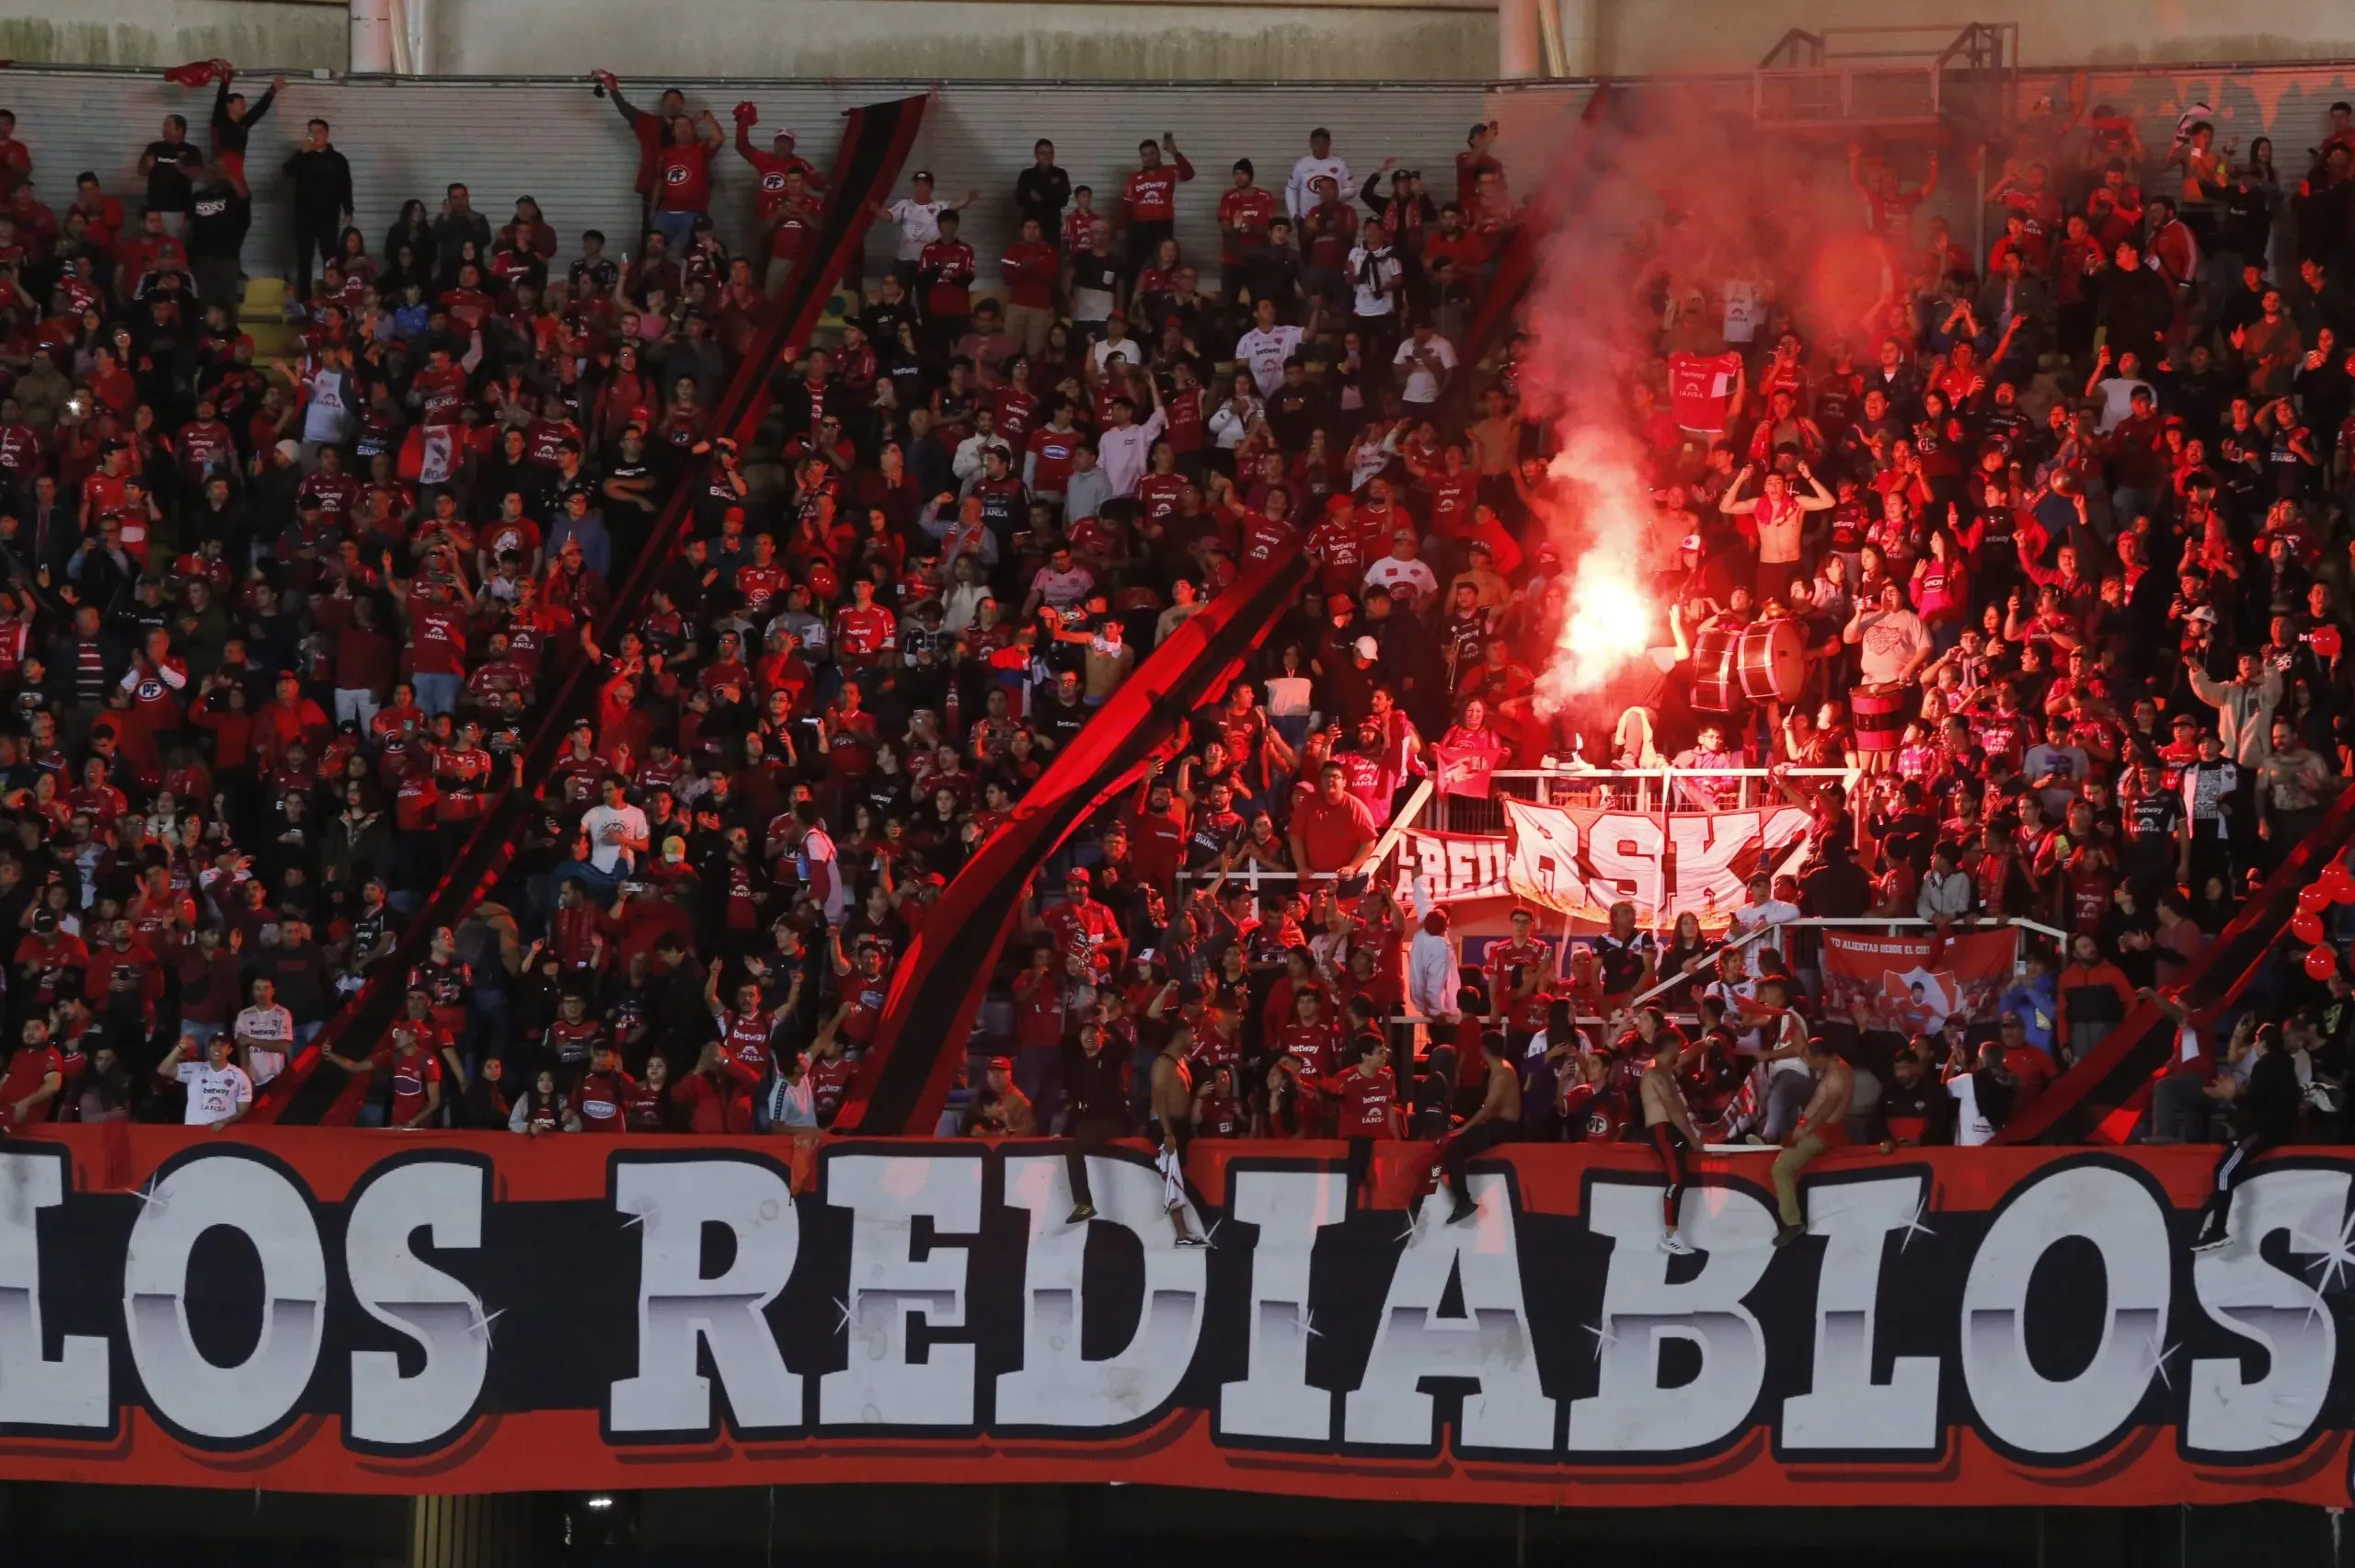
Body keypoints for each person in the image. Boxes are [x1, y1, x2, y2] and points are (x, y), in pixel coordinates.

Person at [2190, 1020, 2303, 1252]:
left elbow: (2255, 1103)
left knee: (2223, 1171)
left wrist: (2233, 1096)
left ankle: (2217, 1228)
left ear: (2262, 1044)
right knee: (2227, 1170)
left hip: (2263, 1131)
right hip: (2273, 1130)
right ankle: (2212, 1216)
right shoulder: (2285, 1067)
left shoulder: (2265, 1066)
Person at [1770, 1036, 1853, 1247]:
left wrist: (1805, 1129)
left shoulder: (1836, 1076)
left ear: (1822, 1057)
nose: (1805, 1060)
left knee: (1781, 1169)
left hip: (1822, 1132)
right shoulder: (1838, 1066)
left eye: (1808, 1057)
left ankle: (1792, 1222)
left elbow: (1828, 1108)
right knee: (1784, 1144)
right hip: (1819, 1129)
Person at [1437, 1031, 1520, 1225]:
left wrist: (1463, 1130)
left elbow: (1488, 1110)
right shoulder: (1502, 1069)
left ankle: (1463, 1201)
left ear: (1483, 1049)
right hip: (1497, 1122)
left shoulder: (1501, 1073)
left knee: (1454, 1151)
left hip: (1503, 1127)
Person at [1642, 1024, 1705, 1253]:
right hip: (1662, 1129)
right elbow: (1672, 1108)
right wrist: (1692, 1137)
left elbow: (1678, 1107)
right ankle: (1670, 1235)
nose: (1681, 1051)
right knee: (1676, 1180)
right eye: (1679, 1047)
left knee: (1681, 1179)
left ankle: (1673, 1233)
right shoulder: (1656, 1071)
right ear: (1671, 1047)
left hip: (1669, 1129)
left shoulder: (1663, 1070)